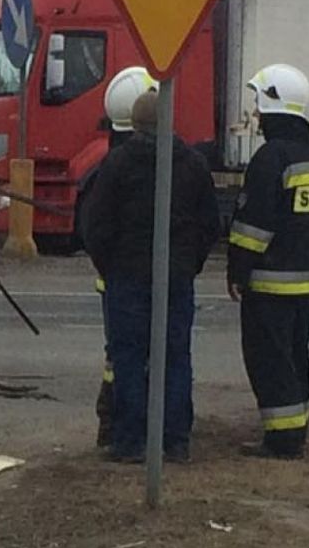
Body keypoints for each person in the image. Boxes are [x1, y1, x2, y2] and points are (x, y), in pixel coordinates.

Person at [84, 92, 220, 463]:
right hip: (176, 277)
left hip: (127, 277)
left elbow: (96, 225)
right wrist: (189, 264)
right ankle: (175, 442)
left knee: (129, 357)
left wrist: (108, 267)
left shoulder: (118, 163)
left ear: (135, 123)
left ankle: (130, 442)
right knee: (175, 356)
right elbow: (210, 223)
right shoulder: (192, 163)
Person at [228, 64, 309, 460]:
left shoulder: (272, 157)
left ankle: (282, 440)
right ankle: (296, 429)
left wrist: (237, 270)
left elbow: (253, 224)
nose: (255, 114)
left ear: (271, 103)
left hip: (269, 281)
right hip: (304, 281)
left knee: (269, 359)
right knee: (295, 354)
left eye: (258, 103)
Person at [82, 66, 159, 449]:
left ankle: (114, 424)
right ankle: (132, 423)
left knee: (120, 355)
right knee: (146, 353)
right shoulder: (160, 164)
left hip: (115, 281)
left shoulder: (110, 165)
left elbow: (95, 231)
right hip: (140, 280)